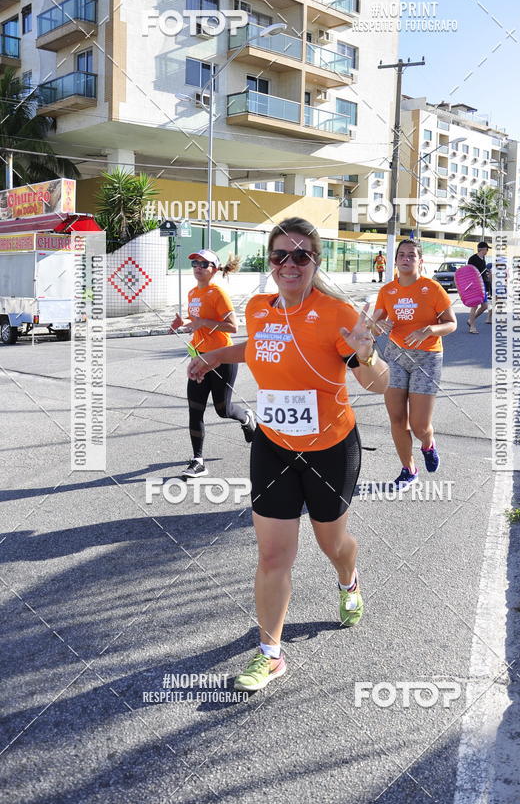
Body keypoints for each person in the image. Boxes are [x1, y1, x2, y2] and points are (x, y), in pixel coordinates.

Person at [188, 218, 389, 692]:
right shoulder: (259, 308)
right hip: (273, 447)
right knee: (274, 553)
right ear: (270, 262)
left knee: (331, 544)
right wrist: (216, 356)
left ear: (314, 261)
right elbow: (257, 346)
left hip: (331, 449)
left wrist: (367, 353)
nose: (289, 264)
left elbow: (377, 384)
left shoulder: (338, 313)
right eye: (280, 255)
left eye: (300, 255)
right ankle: (271, 653)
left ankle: (349, 580)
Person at [372, 238, 457, 488]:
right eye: (402, 254)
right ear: (395, 260)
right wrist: (378, 325)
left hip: (427, 358)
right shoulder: (387, 291)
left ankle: (428, 444)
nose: (406, 258)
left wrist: (429, 329)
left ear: (420, 261)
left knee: (420, 426)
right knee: (397, 419)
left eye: (411, 255)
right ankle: (409, 470)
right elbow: (372, 326)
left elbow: (452, 323)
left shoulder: (431, 288)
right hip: (396, 356)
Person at [170, 249, 255, 479]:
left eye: (203, 264)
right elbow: (197, 322)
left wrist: (202, 322)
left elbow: (233, 326)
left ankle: (246, 417)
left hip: (222, 358)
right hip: (199, 357)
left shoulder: (218, 293)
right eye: (195, 263)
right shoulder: (191, 293)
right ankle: (198, 460)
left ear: (214, 269)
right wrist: (184, 322)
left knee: (222, 409)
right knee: (194, 409)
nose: (197, 267)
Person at [466, 242, 492, 333]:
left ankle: (470, 320)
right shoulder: (473, 259)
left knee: (484, 306)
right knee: (474, 305)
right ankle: (472, 327)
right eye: (487, 249)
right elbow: (469, 272)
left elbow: (484, 274)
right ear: (482, 249)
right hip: (475, 284)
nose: (487, 251)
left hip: (483, 285)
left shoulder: (483, 259)